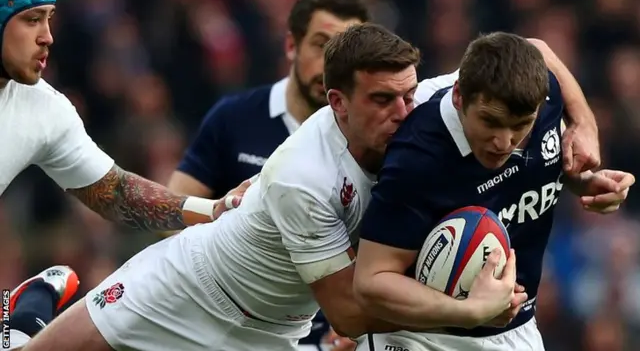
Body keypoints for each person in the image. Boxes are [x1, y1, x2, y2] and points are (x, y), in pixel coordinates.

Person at [14, 24, 604, 351]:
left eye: (407, 93)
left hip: (280, 329)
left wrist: (581, 128)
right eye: (382, 100)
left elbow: (537, 53)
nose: (403, 111)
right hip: (192, 289)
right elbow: (350, 310)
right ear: (337, 103)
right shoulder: (305, 176)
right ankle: (30, 316)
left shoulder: (428, 105)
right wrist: (466, 313)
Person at [351, 32, 635, 350]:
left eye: (519, 126)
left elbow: (538, 48)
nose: (503, 142)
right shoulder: (418, 158)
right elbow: (370, 284)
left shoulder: (545, 101)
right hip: (420, 337)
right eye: (490, 121)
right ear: (459, 96)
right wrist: (470, 312)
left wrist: (582, 163)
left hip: (516, 330)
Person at [0, 0, 243, 348]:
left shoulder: (45, 110)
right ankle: (21, 323)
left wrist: (212, 209)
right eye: (32, 19)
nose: (47, 36)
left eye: (49, 18)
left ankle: (20, 324)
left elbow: (114, 193)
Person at [166, 0, 370, 348]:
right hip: (233, 324)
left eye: (346, 54)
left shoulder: (375, 138)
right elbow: (170, 218)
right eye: (321, 45)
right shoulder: (235, 118)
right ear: (291, 45)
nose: (330, 66)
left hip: (336, 329)